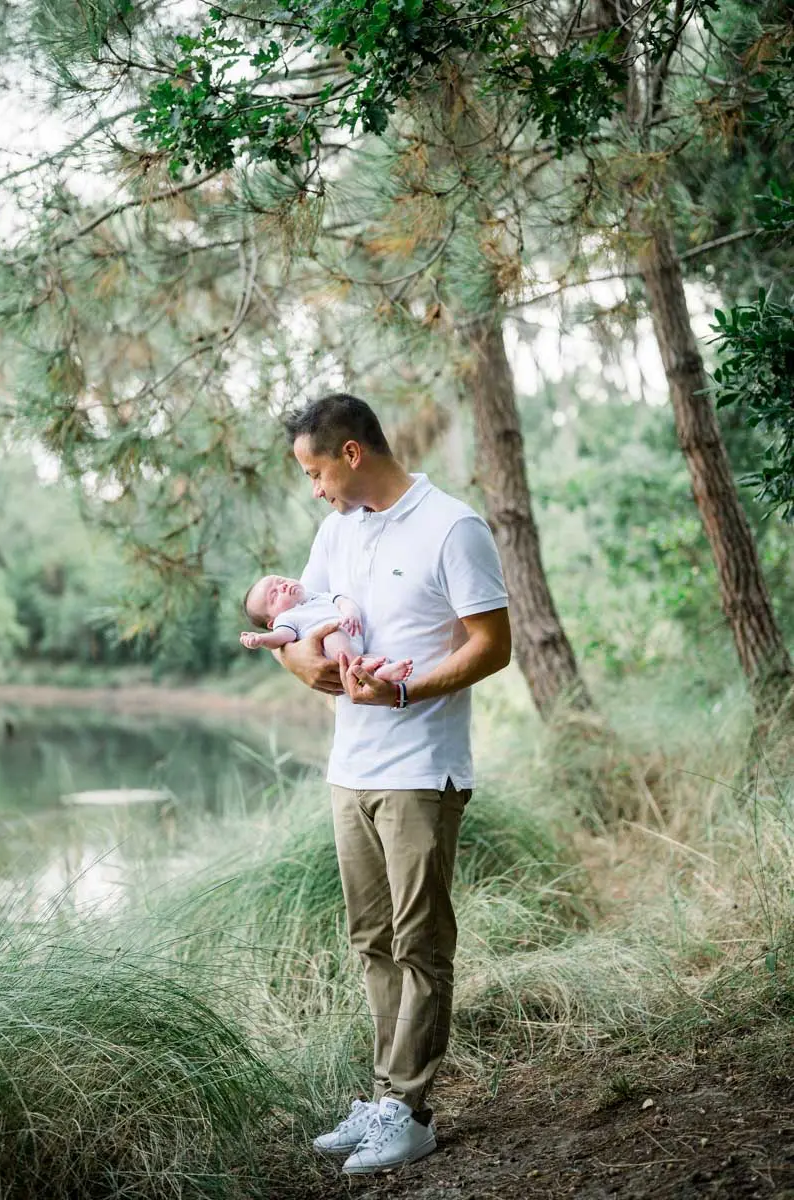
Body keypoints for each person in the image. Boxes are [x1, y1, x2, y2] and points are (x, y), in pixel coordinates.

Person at [275, 393, 511, 1176]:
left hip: (420, 771)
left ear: (350, 454)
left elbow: (493, 644)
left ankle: (410, 1111)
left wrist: (407, 691)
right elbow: (300, 620)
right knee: (371, 940)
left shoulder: (453, 526)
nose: (315, 490)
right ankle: (384, 1099)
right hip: (352, 769)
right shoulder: (337, 531)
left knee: (421, 943)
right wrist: (299, 660)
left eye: (316, 471)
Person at [239, 574, 413, 683]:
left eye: (280, 581)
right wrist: (261, 639)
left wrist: (350, 613)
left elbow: (343, 601)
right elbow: (280, 638)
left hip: (353, 637)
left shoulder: (316, 596)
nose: (282, 586)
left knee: (376, 657)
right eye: (274, 595)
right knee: (332, 635)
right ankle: (368, 669)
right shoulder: (286, 618)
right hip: (333, 647)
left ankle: (382, 669)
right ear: (272, 621)